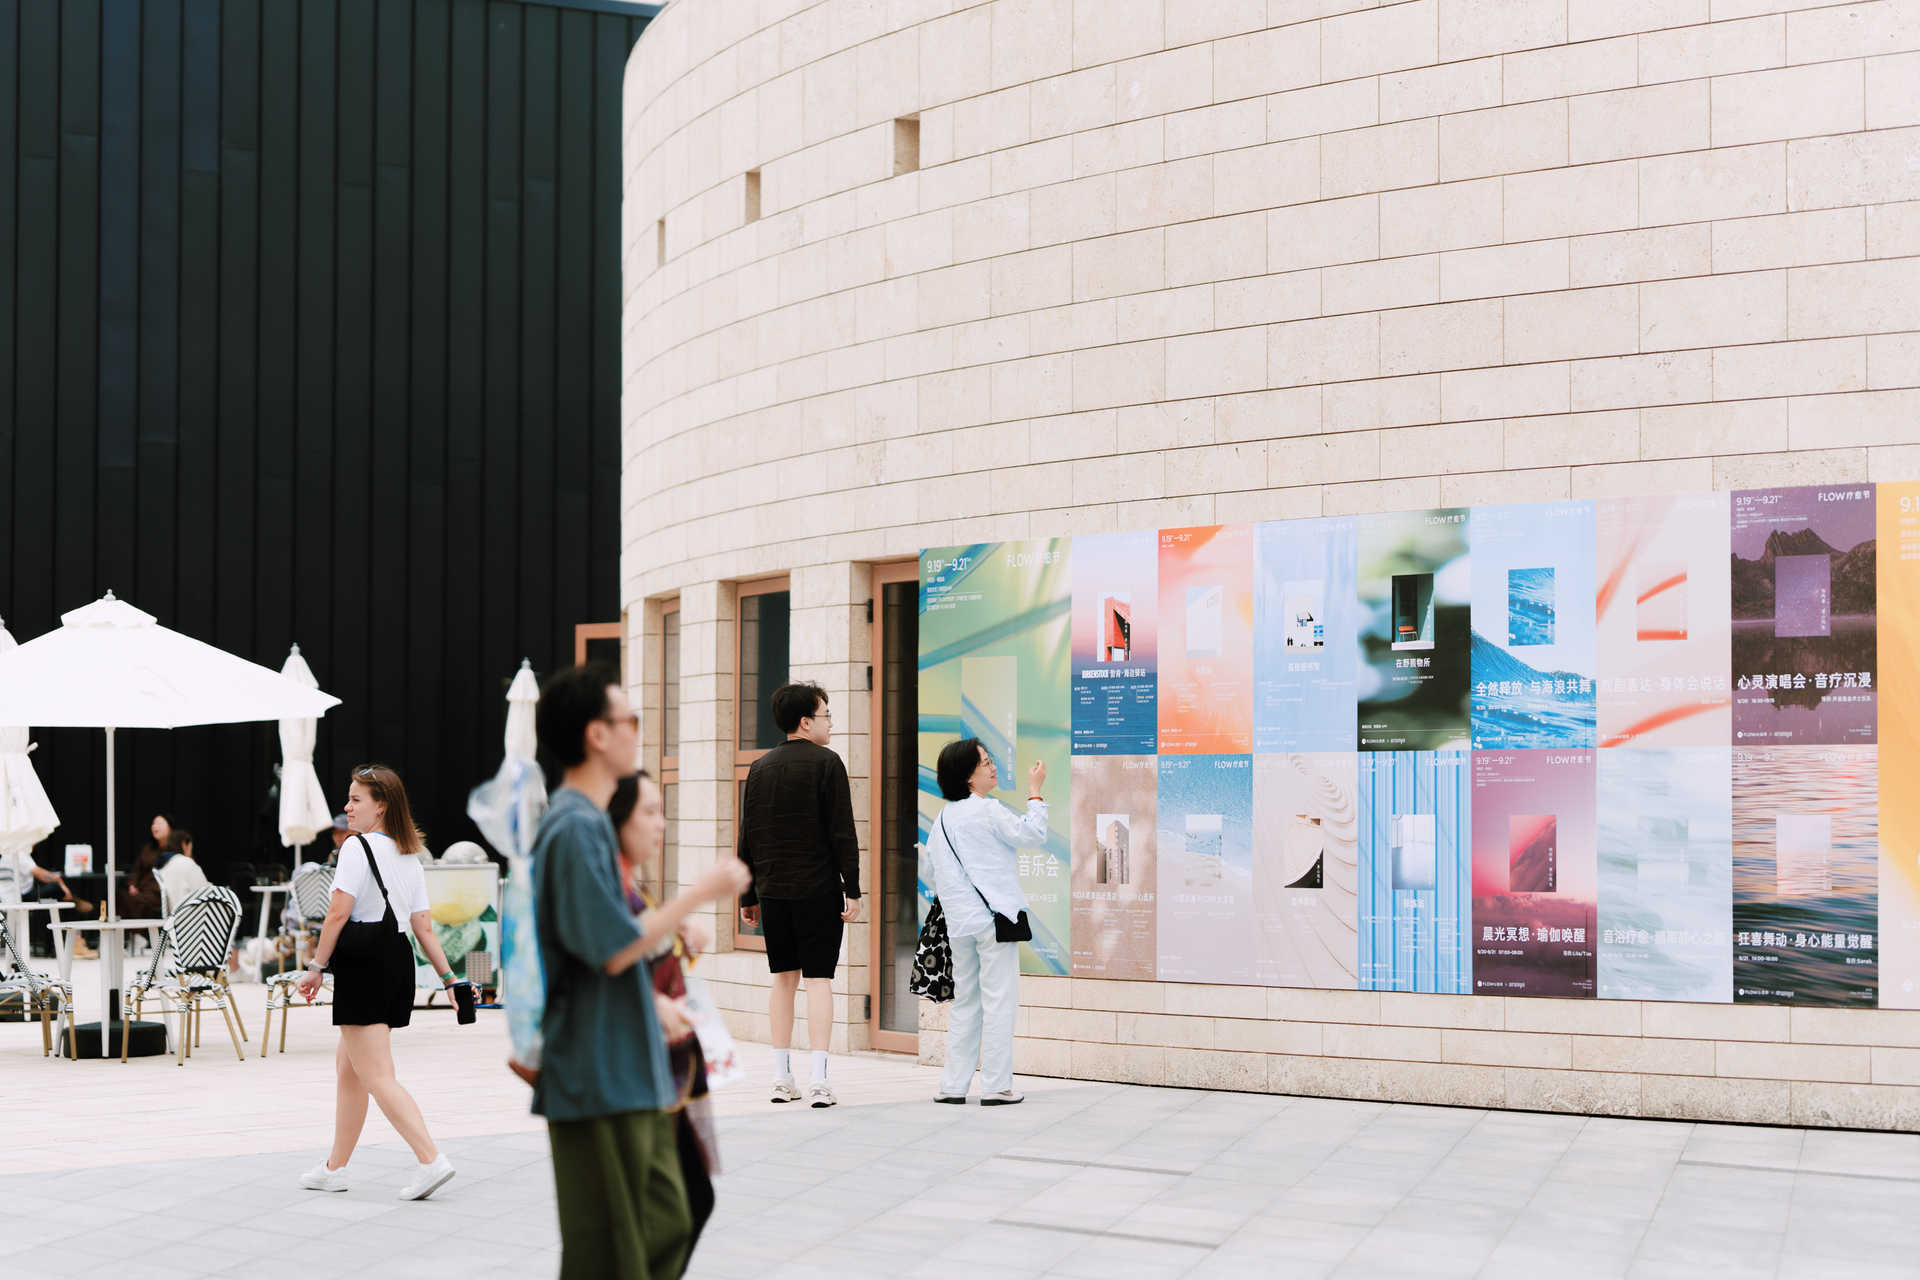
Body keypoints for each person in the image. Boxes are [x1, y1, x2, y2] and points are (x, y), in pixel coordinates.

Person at [529, 664, 749, 1280]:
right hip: (594, 1071)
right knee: (612, 1250)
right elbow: (613, 947)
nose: (636, 732)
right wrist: (697, 894)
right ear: (597, 734)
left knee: (664, 1221)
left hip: (621, 1068)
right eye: (629, 720)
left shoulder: (585, 823)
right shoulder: (572, 826)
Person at [293, 764, 465, 1201]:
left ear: (381, 805)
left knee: (376, 1074)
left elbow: (336, 913)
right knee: (349, 1068)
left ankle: (430, 1160)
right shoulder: (411, 853)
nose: (347, 807)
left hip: (364, 962)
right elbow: (424, 926)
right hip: (396, 960)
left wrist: (316, 965)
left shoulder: (357, 848)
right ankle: (335, 1167)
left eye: (356, 800)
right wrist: (449, 980)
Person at [608, 769, 726, 1253]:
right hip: (634, 1072)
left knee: (688, 1203)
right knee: (678, 1208)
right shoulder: (607, 884)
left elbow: (646, 950)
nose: (661, 824)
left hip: (663, 1067)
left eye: (663, 811)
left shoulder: (628, 881)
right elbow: (614, 957)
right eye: (649, 812)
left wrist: (683, 941)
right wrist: (699, 896)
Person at [736, 681, 862, 1107]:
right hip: (818, 890)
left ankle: (780, 1078)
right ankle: (820, 1081)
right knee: (819, 980)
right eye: (826, 715)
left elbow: (747, 836)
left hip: (773, 892)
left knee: (783, 981)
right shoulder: (828, 763)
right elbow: (842, 831)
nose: (830, 722)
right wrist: (854, 888)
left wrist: (747, 895)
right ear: (806, 722)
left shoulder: (759, 768)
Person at [925, 738, 1048, 1106]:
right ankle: (995, 1086)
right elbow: (1033, 834)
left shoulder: (942, 820)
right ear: (968, 776)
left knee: (967, 1003)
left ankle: (953, 1086)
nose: (992, 767)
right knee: (1000, 1002)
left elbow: (932, 873)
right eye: (985, 762)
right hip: (996, 921)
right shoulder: (989, 811)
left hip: (960, 923)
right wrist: (1035, 793)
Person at [156, 829, 211, 913]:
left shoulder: (162, 866)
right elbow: (204, 892)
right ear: (185, 845)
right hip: (192, 917)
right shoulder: (186, 863)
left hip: (172, 920)